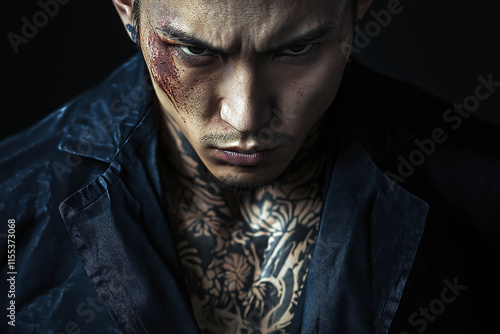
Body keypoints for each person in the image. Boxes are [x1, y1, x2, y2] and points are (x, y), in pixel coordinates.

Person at [1, 0, 499, 333]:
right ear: (128, 9)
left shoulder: (480, 191)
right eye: (195, 51)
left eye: (296, 49)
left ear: (359, 9)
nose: (246, 116)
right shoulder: (11, 208)